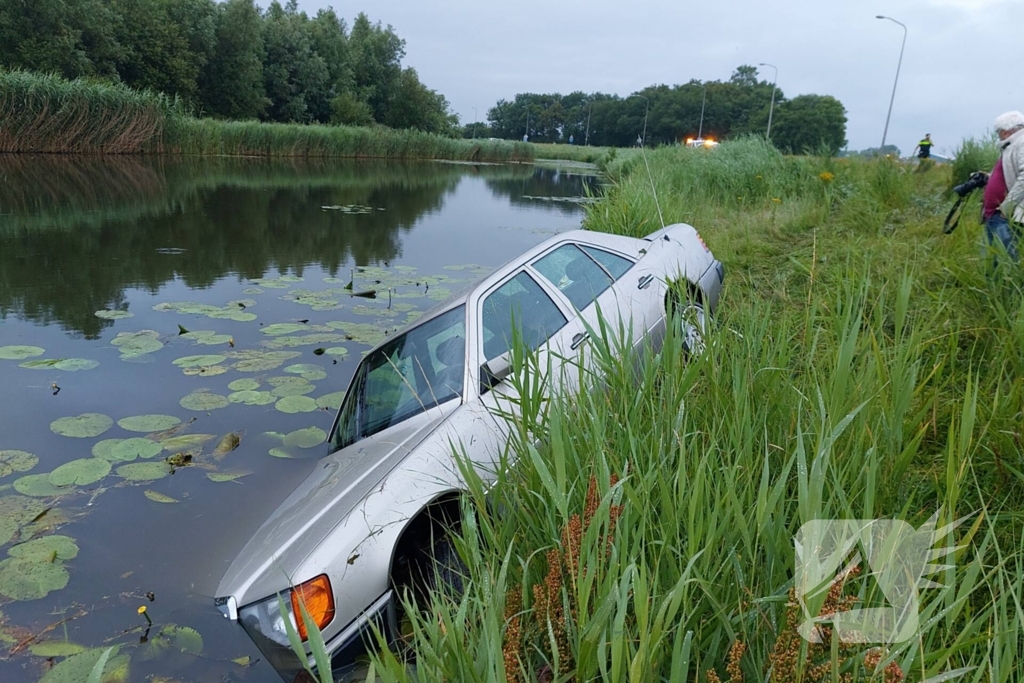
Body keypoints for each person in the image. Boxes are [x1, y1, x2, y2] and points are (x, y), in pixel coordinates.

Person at [980, 111, 1024, 267]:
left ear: (1005, 132)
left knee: (1006, 263)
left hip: (1005, 216)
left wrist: (1006, 208)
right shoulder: (1011, 146)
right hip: (996, 214)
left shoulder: (1021, 142)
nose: (999, 136)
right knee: (992, 260)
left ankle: (1007, 291)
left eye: (999, 133)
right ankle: (993, 289)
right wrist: (988, 177)